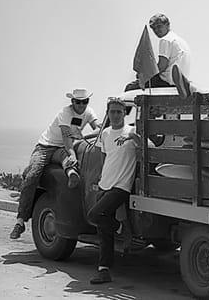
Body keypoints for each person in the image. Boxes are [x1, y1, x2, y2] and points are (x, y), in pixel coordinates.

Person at [10, 89, 101, 239]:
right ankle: (20, 220)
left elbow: (97, 126)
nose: (82, 105)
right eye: (78, 102)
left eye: (85, 101)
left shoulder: (89, 112)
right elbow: (66, 136)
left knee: (70, 161)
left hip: (62, 149)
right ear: (72, 102)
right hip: (46, 146)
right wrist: (72, 152)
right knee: (33, 175)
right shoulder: (65, 113)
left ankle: (72, 174)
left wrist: (104, 130)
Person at [88, 98, 140, 284]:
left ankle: (120, 228)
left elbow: (150, 149)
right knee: (103, 230)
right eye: (112, 112)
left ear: (125, 113)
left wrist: (137, 139)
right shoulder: (106, 134)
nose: (116, 115)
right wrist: (100, 179)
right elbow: (105, 158)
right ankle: (104, 270)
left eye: (119, 112)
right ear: (108, 114)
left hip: (121, 186)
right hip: (105, 184)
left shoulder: (132, 131)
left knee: (94, 216)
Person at [125, 13, 192, 91]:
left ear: (167, 25)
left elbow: (162, 66)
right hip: (180, 81)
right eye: (154, 28)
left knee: (130, 87)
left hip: (166, 81)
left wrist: (145, 75)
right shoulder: (180, 41)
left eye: (159, 26)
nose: (156, 30)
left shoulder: (166, 40)